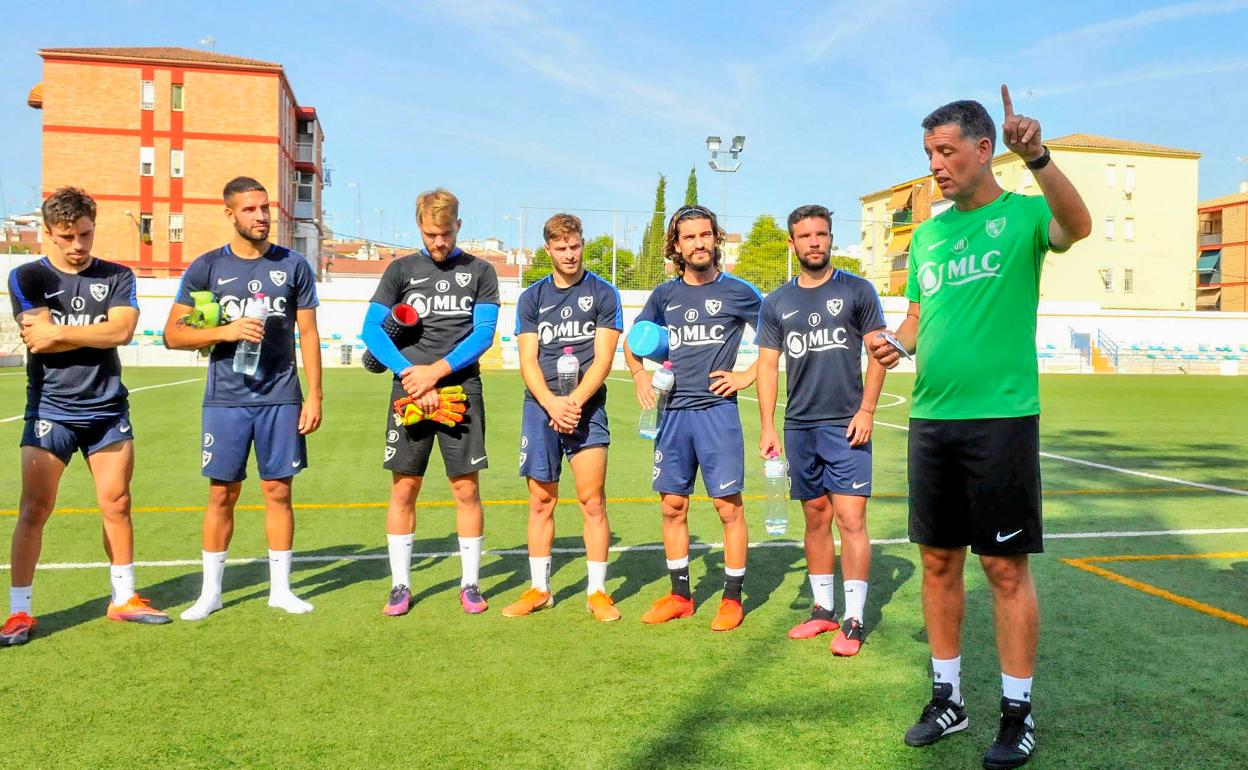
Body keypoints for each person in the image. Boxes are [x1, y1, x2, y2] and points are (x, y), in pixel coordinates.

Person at [867, 87, 1091, 769]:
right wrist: (898, 344)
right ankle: (948, 698)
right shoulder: (929, 236)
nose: (935, 164)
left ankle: (1017, 712)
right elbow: (917, 315)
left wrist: (1042, 158)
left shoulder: (1024, 216)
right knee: (938, 562)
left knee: (1002, 567)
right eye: (929, 153)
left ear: (982, 148)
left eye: (945, 150)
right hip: (932, 420)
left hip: (1001, 419)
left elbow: (1077, 226)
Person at [2, 187, 170, 645]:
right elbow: (37, 341)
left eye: (86, 234)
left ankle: (124, 598)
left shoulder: (117, 275)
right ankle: (19, 613)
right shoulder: (28, 277)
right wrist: (95, 332)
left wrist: (59, 330)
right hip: (51, 409)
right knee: (35, 509)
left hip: (107, 407)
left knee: (117, 503)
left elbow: (124, 330)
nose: (78, 245)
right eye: (68, 236)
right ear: (48, 233)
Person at [164, 176, 323, 620]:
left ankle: (281, 590)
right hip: (226, 400)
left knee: (278, 490)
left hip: (281, 397)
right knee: (222, 494)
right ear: (230, 214)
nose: (261, 216)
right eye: (250, 209)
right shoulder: (206, 268)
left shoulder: (293, 266)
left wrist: (314, 397)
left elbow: (307, 334)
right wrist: (224, 332)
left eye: (265, 208)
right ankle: (210, 592)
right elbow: (173, 335)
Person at [622, 205, 762, 632]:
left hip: (717, 412)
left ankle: (732, 598)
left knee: (726, 506)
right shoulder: (664, 296)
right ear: (677, 246)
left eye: (705, 235)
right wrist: (639, 373)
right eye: (689, 237)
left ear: (715, 238)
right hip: (672, 413)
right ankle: (681, 595)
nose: (698, 243)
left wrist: (745, 376)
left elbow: (778, 339)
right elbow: (633, 342)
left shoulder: (739, 291)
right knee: (673, 505)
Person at [756, 204, 887, 657]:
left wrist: (867, 409)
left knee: (851, 519)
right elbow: (768, 366)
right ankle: (822, 608)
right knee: (815, 517)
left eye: (822, 234)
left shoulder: (858, 290)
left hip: (846, 424)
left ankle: (853, 619)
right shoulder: (776, 302)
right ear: (792, 244)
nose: (815, 242)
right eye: (806, 236)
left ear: (831, 238)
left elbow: (878, 352)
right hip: (799, 427)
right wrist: (768, 425)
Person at [362, 188, 500, 617]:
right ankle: (400, 584)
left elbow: (483, 334)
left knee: (465, 487)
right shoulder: (400, 269)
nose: (438, 242)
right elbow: (371, 331)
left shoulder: (480, 270)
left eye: (444, 233)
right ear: (419, 227)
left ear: (458, 225)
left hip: (460, 390)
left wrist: (434, 373)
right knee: (404, 487)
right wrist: (411, 375)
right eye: (429, 234)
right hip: (410, 390)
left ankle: (471, 583)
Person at [502, 213, 623, 622]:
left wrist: (573, 402)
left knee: (592, 501)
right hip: (540, 408)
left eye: (574, 246)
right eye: (561, 248)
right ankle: (540, 589)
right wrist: (553, 404)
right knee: (541, 501)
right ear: (548, 250)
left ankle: (598, 591)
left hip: (588, 409)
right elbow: (528, 360)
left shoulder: (604, 293)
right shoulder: (532, 298)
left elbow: (604, 359)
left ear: (582, 244)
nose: (569, 254)